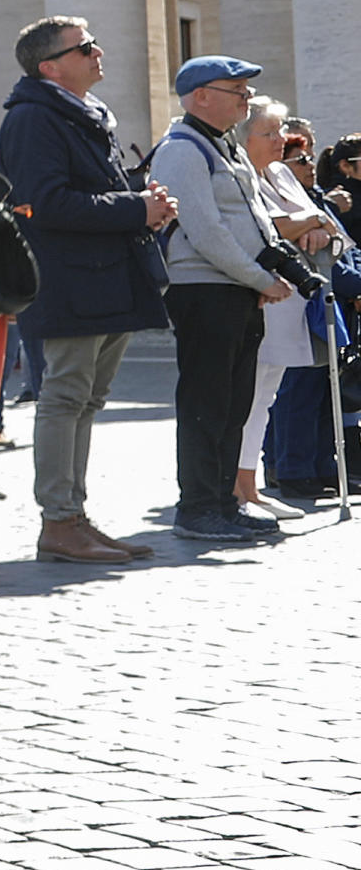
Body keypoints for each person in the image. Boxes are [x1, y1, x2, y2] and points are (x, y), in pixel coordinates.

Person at [0, 15, 176, 562]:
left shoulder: (79, 115)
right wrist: (135, 208)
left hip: (103, 278)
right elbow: (43, 203)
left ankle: (74, 514)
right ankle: (59, 520)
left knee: (87, 398)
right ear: (50, 67)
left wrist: (144, 201)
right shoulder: (34, 119)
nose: (98, 52)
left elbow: (86, 192)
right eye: (84, 47)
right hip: (68, 281)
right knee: (66, 395)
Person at [150, 57, 299, 542]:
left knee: (235, 403)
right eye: (235, 90)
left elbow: (253, 219)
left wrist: (263, 273)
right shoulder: (182, 148)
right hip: (203, 290)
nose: (246, 98)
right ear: (201, 96)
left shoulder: (225, 147)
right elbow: (206, 230)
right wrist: (258, 278)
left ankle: (224, 501)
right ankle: (197, 508)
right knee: (206, 403)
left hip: (233, 289)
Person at [236, 97, 343, 515]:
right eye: (270, 133)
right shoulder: (240, 173)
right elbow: (272, 228)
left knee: (266, 395)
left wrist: (314, 224)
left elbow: (327, 224)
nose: (282, 140)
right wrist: (311, 223)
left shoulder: (280, 172)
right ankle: (238, 489)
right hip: (261, 295)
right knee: (247, 396)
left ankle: (252, 489)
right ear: (244, 139)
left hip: (294, 300)